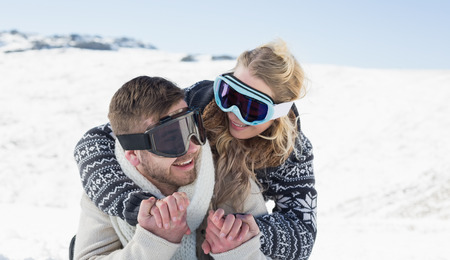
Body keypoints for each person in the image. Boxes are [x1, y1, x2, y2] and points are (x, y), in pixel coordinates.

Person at [74, 39, 317, 259]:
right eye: (229, 93)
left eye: (253, 109)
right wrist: (137, 207)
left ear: (278, 114)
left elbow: (303, 234)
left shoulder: (292, 152)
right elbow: (99, 141)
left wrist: (243, 232)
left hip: (223, 219)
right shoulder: (199, 104)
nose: (233, 112)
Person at [73, 76, 268, 259]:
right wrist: (153, 244)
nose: (192, 148)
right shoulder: (107, 193)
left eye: (192, 127)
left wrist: (240, 254)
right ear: (133, 154)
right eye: (170, 139)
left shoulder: (233, 179)